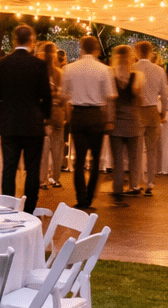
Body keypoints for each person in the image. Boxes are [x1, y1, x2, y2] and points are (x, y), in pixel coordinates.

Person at [0, 25, 52, 213]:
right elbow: (46, 95)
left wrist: (4, 109)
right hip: (33, 123)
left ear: (14, 40)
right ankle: (29, 209)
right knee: (32, 169)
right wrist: (44, 116)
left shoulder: (0, 64)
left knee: (9, 168)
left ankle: (8, 208)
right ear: (32, 41)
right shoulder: (39, 65)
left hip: (9, 123)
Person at [63, 35, 116, 209]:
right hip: (96, 115)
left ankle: (81, 198)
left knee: (79, 160)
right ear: (96, 49)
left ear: (81, 47)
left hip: (77, 114)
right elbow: (110, 97)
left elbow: (64, 94)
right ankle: (91, 195)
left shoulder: (70, 68)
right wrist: (109, 119)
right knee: (95, 159)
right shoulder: (104, 69)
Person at [108, 44, 145, 203]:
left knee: (117, 160)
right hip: (133, 121)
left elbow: (109, 101)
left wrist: (109, 120)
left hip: (116, 122)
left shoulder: (111, 75)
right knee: (134, 158)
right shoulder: (137, 76)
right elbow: (139, 99)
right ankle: (134, 186)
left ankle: (117, 189)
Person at [133, 41, 168, 195]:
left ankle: (135, 182)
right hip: (153, 110)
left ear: (137, 51)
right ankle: (150, 182)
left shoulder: (132, 68)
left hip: (136, 112)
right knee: (152, 149)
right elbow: (165, 96)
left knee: (136, 149)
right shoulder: (159, 70)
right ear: (150, 52)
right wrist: (163, 112)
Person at [40, 41, 68, 189]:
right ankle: (55, 178)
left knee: (43, 148)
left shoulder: (38, 71)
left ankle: (42, 179)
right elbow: (64, 96)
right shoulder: (59, 73)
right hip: (57, 112)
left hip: (42, 113)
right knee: (57, 147)